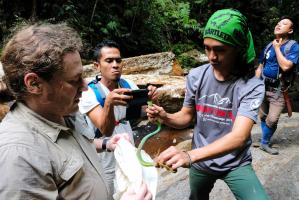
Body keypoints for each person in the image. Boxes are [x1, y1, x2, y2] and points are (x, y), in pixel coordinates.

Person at [0, 23, 151, 200]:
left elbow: (69, 148)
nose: (85, 87)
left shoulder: (63, 111)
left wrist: (105, 144)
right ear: (34, 83)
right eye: (74, 80)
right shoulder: (18, 155)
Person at [147, 9, 269, 200]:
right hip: (202, 163)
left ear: (237, 49)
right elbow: (186, 116)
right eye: (207, 48)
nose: (211, 57)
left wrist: (190, 155)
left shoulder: (252, 85)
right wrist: (165, 116)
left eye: (220, 49)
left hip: (234, 162)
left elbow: (239, 137)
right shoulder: (196, 76)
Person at [79, 39, 157, 198]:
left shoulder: (128, 84)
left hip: (128, 149)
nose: (115, 64)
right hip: (103, 158)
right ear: (97, 66)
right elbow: (105, 129)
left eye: (118, 60)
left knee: (133, 190)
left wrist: (153, 102)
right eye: (109, 61)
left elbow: (140, 113)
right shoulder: (89, 92)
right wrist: (108, 103)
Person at [256, 16, 299, 155]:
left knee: (272, 119)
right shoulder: (269, 45)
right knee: (263, 116)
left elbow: (286, 66)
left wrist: (277, 48)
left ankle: (264, 143)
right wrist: (254, 84)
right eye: (278, 23)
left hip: (279, 89)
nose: (278, 25)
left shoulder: (294, 47)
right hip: (263, 86)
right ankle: (265, 140)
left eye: (284, 23)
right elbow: (260, 66)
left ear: (290, 30)